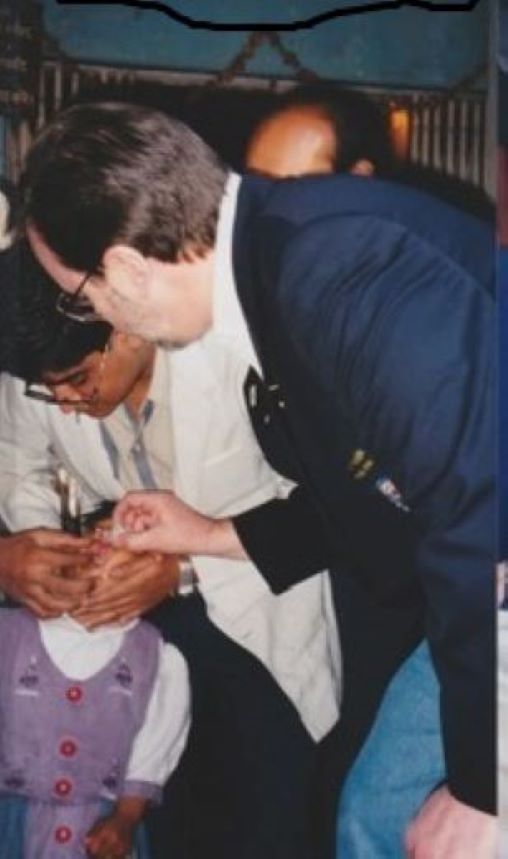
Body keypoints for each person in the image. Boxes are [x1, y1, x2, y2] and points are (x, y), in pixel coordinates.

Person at [22, 101, 495, 856]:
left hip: (489, 580)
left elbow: (481, 505)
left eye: (80, 296)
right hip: (461, 591)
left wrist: (484, 784)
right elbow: (360, 501)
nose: (101, 319)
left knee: (391, 825)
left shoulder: (337, 270)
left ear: (127, 268)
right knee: (367, 815)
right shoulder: (278, 269)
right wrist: (205, 534)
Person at [0, 239, 340, 859]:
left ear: (125, 326)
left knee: (267, 825)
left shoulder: (236, 350)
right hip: (131, 644)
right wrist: (37, 553)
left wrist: (184, 568)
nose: (67, 403)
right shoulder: (43, 363)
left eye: (78, 381)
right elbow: (18, 464)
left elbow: (332, 513)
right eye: (50, 392)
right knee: (163, 827)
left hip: (256, 628)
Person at [0, 539, 190, 859]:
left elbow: (153, 751)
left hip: (101, 830)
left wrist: (126, 818)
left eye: (120, 539)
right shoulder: (10, 632)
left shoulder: (156, 656)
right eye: (93, 533)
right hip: (12, 824)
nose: (100, 540)